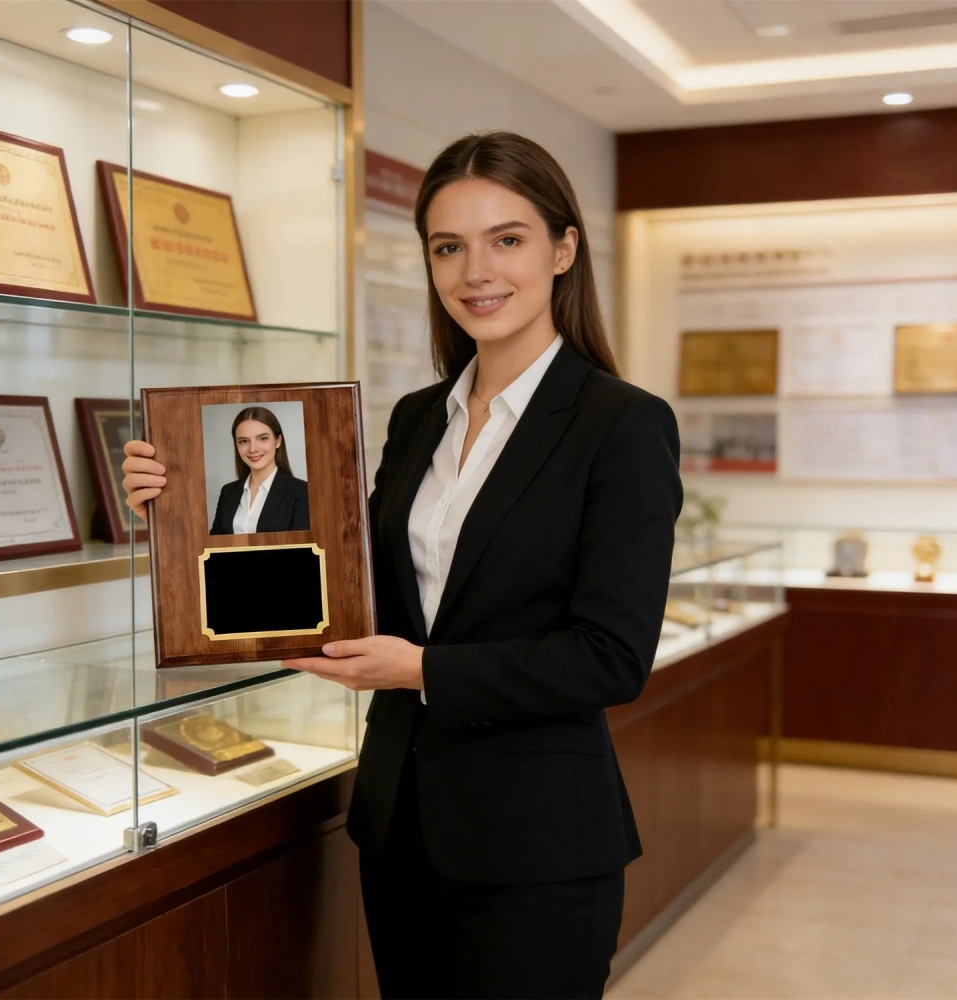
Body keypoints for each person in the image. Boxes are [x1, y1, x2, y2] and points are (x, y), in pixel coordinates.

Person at [122, 131, 682, 1000]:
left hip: (536, 847)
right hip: (401, 828)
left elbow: (610, 655)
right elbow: (356, 592)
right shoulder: (419, 418)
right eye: (448, 247)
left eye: (507, 239)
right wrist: (178, 514)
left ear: (564, 249)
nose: (475, 272)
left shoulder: (621, 423)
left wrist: (421, 670)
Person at [209, 406, 309, 534]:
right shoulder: (228, 492)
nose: (252, 449)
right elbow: (215, 545)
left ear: (278, 441)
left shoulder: (301, 492)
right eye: (244, 441)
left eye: (262, 438)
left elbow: (302, 549)